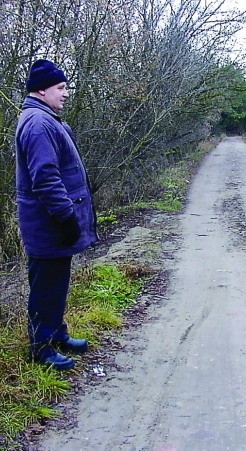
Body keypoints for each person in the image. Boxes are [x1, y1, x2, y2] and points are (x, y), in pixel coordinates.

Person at [15, 59, 98, 370]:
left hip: (53, 225)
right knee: (46, 285)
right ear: (41, 90)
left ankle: (56, 333)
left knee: (56, 282)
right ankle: (42, 346)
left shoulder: (47, 119)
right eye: (60, 88)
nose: (65, 94)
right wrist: (66, 218)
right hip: (47, 224)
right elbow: (45, 178)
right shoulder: (38, 123)